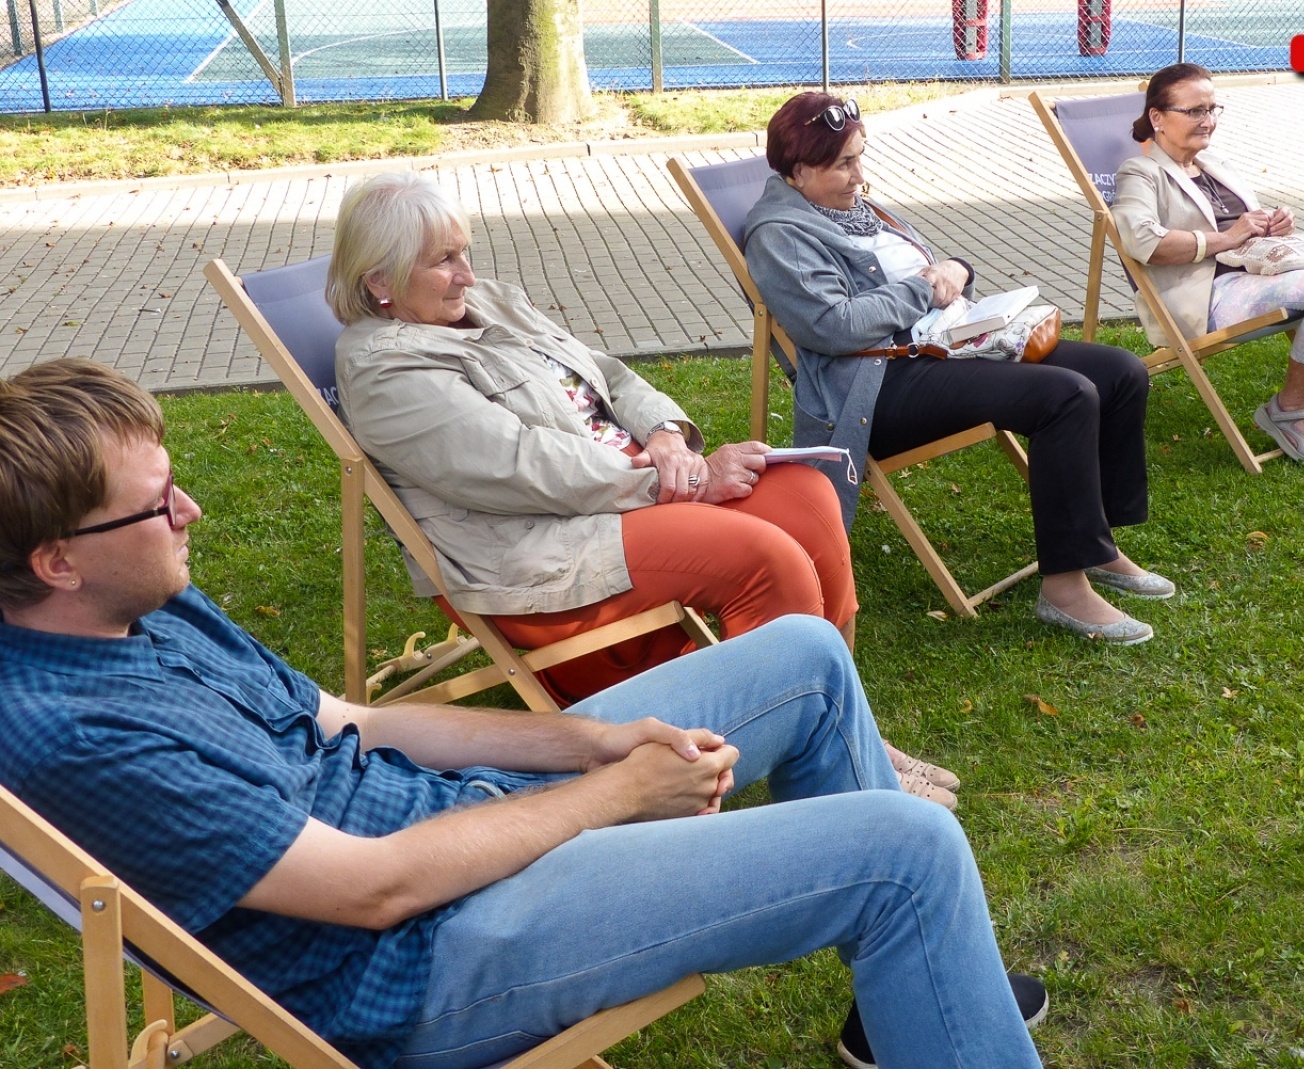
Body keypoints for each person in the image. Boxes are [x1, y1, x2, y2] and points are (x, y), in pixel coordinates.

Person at [0, 358, 1048, 1069]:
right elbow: (373, 889)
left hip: (459, 822)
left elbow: (357, 720)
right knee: (906, 850)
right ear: (57, 562)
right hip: (424, 961)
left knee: (805, 658)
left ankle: (910, 1003)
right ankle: (922, 959)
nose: (189, 510)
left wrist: (591, 741)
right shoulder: (76, 735)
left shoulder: (141, 599)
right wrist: (616, 792)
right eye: (157, 502)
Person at [327, 173, 957, 806]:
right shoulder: (385, 367)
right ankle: (829, 773)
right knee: (762, 557)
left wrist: (663, 434)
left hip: (630, 488)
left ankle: (846, 728)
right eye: (443, 261)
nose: (466, 274)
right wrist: (679, 482)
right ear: (379, 280)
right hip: (541, 545)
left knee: (806, 498)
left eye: (464, 252)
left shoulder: (489, 301)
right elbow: (521, 467)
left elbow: (608, 373)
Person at [744, 91, 1171, 647]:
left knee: (1120, 372)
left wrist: (956, 269)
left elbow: (935, 269)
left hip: (948, 345)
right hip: (881, 383)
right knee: (1065, 396)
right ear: (799, 171)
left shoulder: (854, 206)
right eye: (844, 164)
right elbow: (833, 326)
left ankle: (1095, 543)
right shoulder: (779, 234)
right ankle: (1065, 589)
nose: (859, 175)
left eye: (859, 157)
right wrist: (923, 289)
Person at [1112, 63, 1304, 466]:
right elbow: (1143, 242)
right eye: (1195, 111)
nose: (1208, 121)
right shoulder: (1140, 172)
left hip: (1264, 271)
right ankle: (1289, 408)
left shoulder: (1214, 162)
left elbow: (1246, 227)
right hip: (1209, 293)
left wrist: (1274, 225)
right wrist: (1228, 238)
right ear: (1157, 117)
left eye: (1212, 109)